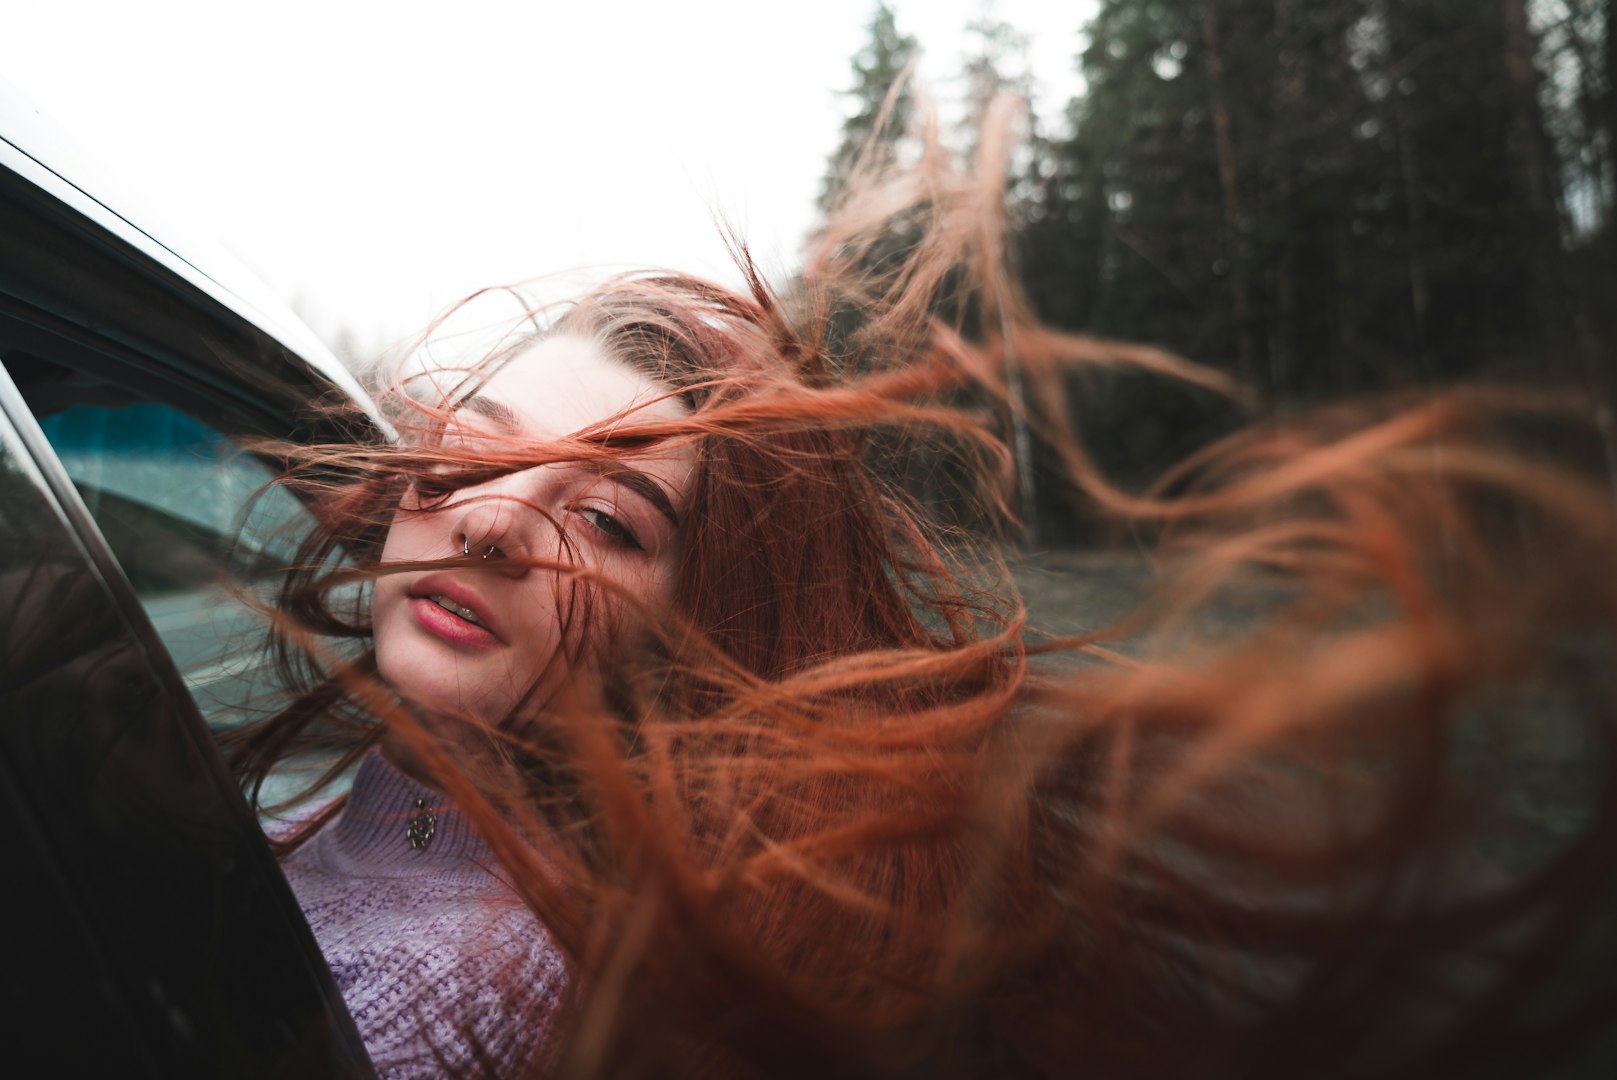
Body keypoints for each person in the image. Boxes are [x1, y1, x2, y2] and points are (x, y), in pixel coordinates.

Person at [231, 113, 1617, 1079]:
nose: (487, 522)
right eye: (479, 441)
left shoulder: (489, 988)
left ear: (691, 630)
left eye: (605, 517)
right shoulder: (344, 792)